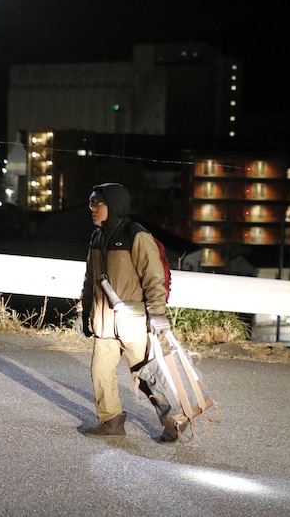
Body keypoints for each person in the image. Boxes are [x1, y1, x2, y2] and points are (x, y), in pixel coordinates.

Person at [77, 182, 175, 441]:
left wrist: (157, 313)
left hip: (132, 322)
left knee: (146, 375)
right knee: (100, 372)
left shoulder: (135, 234)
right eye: (91, 203)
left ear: (114, 204)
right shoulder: (97, 237)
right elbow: (90, 279)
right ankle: (111, 422)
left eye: (97, 202)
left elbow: (154, 278)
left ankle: (174, 419)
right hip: (103, 323)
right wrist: (85, 312)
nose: (93, 208)